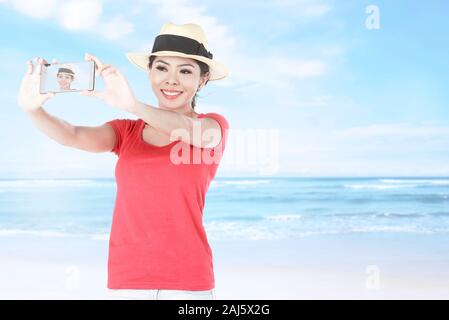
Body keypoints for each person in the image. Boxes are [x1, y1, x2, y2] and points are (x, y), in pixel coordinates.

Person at [17, 22, 230, 300]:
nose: (171, 80)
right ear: (150, 73)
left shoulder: (211, 127)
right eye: (162, 68)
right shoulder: (126, 132)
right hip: (127, 281)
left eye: (186, 71)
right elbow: (70, 135)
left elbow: (189, 131)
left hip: (187, 284)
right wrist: (32, 110)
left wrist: (134, 105)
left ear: (203, 80)